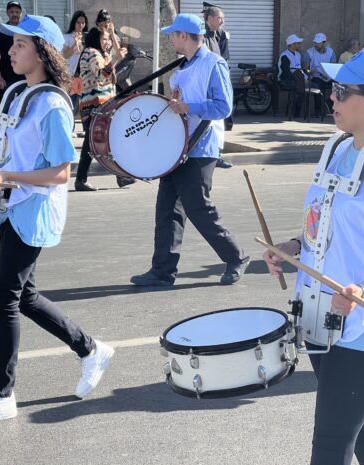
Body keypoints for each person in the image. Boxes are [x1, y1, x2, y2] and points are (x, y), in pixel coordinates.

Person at [263, 48, 364, 465]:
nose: (330, 98)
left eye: (341, 91)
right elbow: (326, 226)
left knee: (331, 445)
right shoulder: (337, 149)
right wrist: (293, 248)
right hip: (323, 316)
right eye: (331, 89)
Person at [0, 15, 114, 425]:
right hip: (11, 207)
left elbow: (60, 172)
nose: (10, 51)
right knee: (23, 296)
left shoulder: (53, 103)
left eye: (20, 45)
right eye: (12, 45)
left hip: (33, 210)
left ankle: (0, 394)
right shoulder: (16, 95)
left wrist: (8, 176)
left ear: (42, 51)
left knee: (2, 298)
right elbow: (16, 142)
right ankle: (91, 349)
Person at [130, 14, 249, 287]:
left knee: (197, 207)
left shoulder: (213, 64)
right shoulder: (183, 66)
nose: (170, 39)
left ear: (183, 36)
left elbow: (224, 107)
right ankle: (162, 271)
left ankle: (236, 256)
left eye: (173, 34)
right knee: (167, 209)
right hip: (178, 145)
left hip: (201, 145)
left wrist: (187, 107)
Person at [75, 27, 132, 191]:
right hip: (94, 104)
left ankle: (120, 176)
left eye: (108, 39)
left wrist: (113, 57)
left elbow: (110, 78)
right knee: (93, 143)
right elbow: (101, 75)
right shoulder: (91, 52)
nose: (107, 42)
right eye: (104, 39)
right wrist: (115, 60)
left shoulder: (99, 53)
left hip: (101, 103)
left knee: (106, 140)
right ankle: (81, 179)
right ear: (96, 39)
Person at [203, 2, 233, 167]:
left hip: (217, 85)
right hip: (207, 87)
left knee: (218, 124)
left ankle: (216, 155)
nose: (222, 21)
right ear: (211, 19)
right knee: (210, 125)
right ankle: (212, 155)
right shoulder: (203, 36)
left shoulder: (218, 35)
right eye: (220, 18)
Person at [0, 1, 25, 101]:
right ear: (7, 13)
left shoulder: (27, 30)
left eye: (17, 12)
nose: (14, 14)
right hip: (6, 76)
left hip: (25, 76)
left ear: (21, 13)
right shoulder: (1, 29)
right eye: (11, 12)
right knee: (5, 108)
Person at [303, 33, 336, 117]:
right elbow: (305, 69)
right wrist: (311, 72)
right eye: (315, 42)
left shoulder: (330, 52)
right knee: (316, 87)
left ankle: (330, 102)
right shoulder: (309, 52)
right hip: (316, 76)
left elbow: (333, 66)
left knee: (339, 85)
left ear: (324, 43)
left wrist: (328, 75)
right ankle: (318, 111)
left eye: (318, 43)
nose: (316, 45)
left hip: (328, 76)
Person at [62, 10, 88, 114]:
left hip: (84, 77)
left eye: (83, 23)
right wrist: (75, 44)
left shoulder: (87, 38)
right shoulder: (67, 37)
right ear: (74, 23)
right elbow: (65, 55)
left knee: (81, 107)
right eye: (78, 22)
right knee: (70, 106)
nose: (81, 25)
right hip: (71, 76)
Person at [277, 34, 306, 118]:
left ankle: (301, 111)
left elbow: (300, 68)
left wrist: (306, 77)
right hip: (286, 79)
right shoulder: (285, 56)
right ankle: (296, 111)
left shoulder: (298, 54)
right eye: (298, 43)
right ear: (293, 44)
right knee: (300, 86)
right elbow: (285, 72)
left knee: (313, 85)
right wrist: (297, 77)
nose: (299, 45)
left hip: (298, 78)